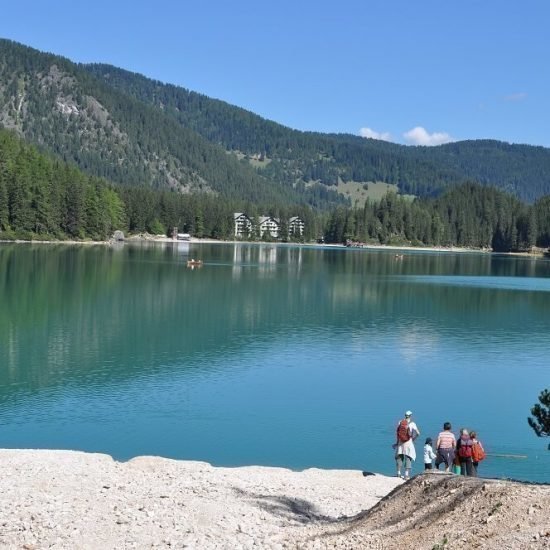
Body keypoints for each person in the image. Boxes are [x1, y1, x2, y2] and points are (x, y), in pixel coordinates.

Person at [394, 410, 420, 480]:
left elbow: (397, 433)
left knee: (400, 457)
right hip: (408, 442)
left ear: (405, 415)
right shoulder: (412, 424)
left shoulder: (400, 422)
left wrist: (397, 443)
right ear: (410, 416)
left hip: (400, 442)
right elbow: (418, 433)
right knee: (408, 457)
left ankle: (398, 473)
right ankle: (406, 475)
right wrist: (413, 439)